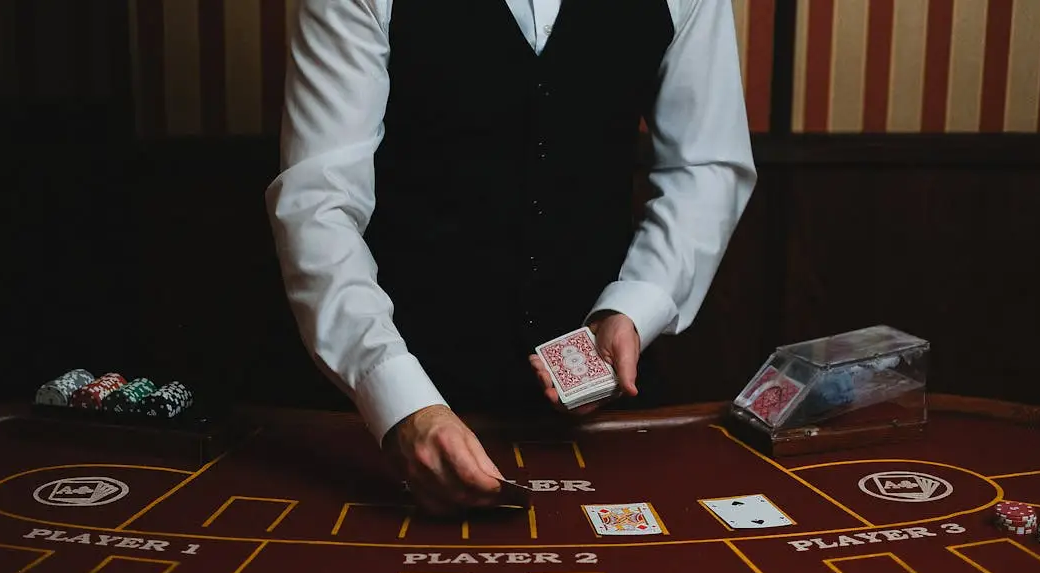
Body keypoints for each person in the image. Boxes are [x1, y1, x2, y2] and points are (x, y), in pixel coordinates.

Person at [267, 0, 756, 516]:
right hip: (387, 403)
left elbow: (705, 166)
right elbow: (319, 204)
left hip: (601, 411)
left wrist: (638, 305)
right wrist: (396, 396)